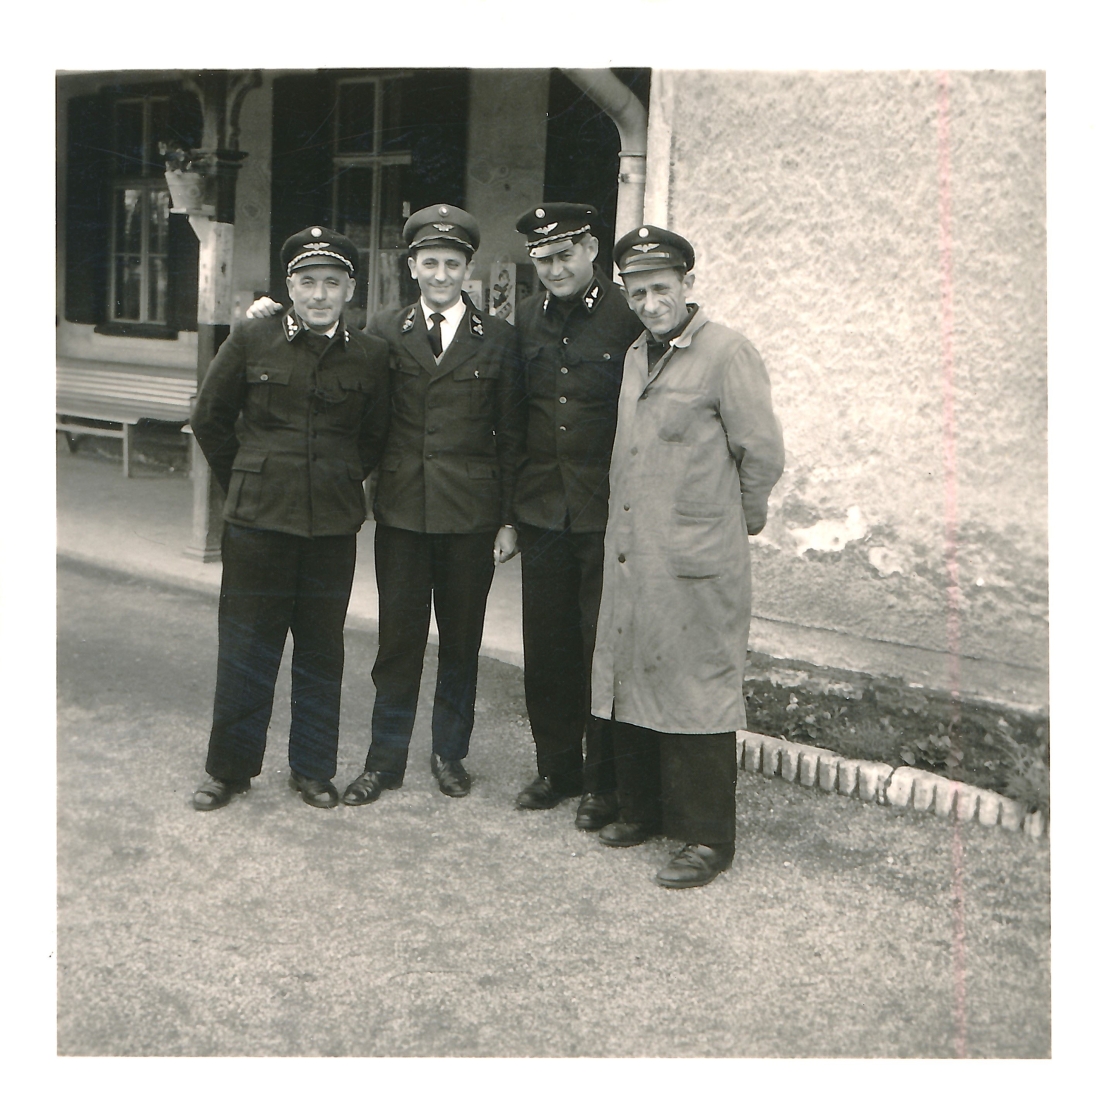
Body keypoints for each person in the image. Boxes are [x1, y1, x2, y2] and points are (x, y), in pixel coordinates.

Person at [590, 225, 785, 887]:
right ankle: (644, 811)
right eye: (638, 291)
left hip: (698, 555)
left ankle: (706, 839)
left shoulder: (728, 353)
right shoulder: (636, 356)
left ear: (688, 285)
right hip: (636, 554)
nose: (649, 302)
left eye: (661, 288)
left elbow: (761, 454)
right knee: (637, 671)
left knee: (697, 686)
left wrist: (737, 519)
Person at [190, 227, 390, 811]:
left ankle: (312, 769)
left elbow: (373, 436)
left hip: (330, 525)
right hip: (257, 523)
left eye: (332, 282)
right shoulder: (252, 336)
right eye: (308, 282)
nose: (320, 294)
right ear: (289, 286)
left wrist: (336, 477)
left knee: (321, 649)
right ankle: (228, 771)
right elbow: (210, 417)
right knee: (247, 647)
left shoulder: (371, 354)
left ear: (350, 288)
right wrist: (251, 475)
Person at [342, 205, 523, 803]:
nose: (440, 273)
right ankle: (385, 759)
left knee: (462, 639)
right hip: (401, 512)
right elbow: (363, 411)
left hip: (470, 517)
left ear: (467, 268)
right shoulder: (384, 330)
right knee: (397, 642)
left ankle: (450, 753)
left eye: (452, 262)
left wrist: (507, 519)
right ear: (412, 266)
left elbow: (511, 435)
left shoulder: (497, 339)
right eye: (429, 262)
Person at [510, 203, 644, 831]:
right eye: (543, 259)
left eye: (565, 254)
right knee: (548, 646)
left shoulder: (627, 316)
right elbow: (516, 416)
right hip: (542, 510)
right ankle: (555, 769)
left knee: (601, 649)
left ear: (592, 248)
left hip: (606, 514)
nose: (555, 268)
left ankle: (603, 784)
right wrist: (511, 511)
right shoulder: (527, 317)